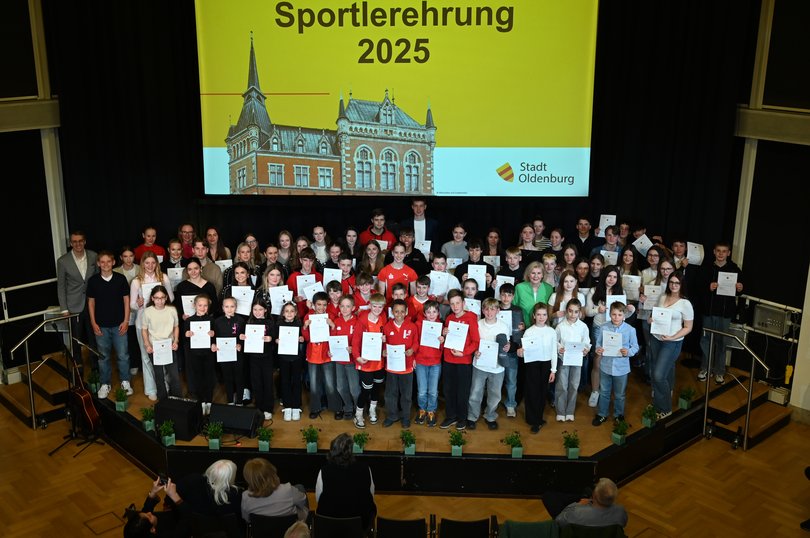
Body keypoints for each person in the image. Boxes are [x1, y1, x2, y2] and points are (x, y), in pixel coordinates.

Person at [86, 250, 131, 399]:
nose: (105, 264)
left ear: (113, 263)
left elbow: (126, 301)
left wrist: (126, 321)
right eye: (102, 262)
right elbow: (91, 303)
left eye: (108, 261)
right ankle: (105, 383)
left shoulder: (120, 279)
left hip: (119, 324)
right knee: (103, 356)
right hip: (101, 326)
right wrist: (93, 322)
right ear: (98, 263)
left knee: (123, 355)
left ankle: (125, 381)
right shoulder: (93, 281)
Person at [696, 241, 743, 385]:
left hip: (725, 313)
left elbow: (741, 291)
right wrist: (707, 287)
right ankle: (705, 368)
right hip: (708, 312)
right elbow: (697, 286)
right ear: (714, 252)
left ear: (728, 253)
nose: (721, 254)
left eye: (724, 251)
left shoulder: (735, 269)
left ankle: (719, 371)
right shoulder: (706, 268)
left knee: (722, 342)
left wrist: (740, 288)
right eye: (718, 251)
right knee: (706, 341)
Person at [650, 272, 694, 419]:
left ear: (682, 285)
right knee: (664, 371)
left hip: (672, 343)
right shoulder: (662, 297)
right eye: (671, 282)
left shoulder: (685, 303)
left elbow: (688, 327)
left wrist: (673, 337)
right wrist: (651, 319)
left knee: (658, 375)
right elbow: (656, 314)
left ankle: (666, 407)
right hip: (656, 339)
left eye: (677, 283)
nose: (674, 285)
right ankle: (658, 402)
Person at [131, 252, 174, 400]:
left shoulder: (164, 278)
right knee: (146, 356)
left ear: (157, 263)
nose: (150, 266)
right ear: (142, 264)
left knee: (163, 356)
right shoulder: (137, 281)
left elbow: (171, 298)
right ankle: (151, 388)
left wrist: (161, 300)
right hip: (143, 323)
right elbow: (131, 305)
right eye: (147, 263)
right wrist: (138, 303)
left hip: (162, 323)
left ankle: (164, 385)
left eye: (153, 263)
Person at [315, 433, 377, 532]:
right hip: (360, 524)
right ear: (351, 451)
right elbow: (370, 495)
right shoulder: (365, 469)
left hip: (329, 525)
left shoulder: (324, 471)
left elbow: (319, 499)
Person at [592, 301, 639, 426]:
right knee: (604, 391)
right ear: (609, 314)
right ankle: (602, 414)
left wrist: (628, 352)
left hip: (621, 368)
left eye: (619, 314)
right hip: (605, 366)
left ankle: (619, 415)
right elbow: (598, 343)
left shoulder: (630, 330)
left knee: (620, 394)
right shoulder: (604, 327)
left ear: (624, 315)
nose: (616, 317)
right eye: (613, 314)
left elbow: (635, 347)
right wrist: (598, 349)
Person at [439, 289, 480, 430]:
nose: (455, 306)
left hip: (463, 361)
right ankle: (451, 416)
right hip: (449, 359)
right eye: (452, 304)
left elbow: (475, 341)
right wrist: (443, 335)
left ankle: (462, 417)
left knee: (462, 391)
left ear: (463, 303)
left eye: (458, 303)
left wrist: (463, 353)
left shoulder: (471, 317)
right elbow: (446, 340)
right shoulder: (449, 318)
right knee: (448, 390)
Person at [467, 298, 509, 430]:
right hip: (479, 365)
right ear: (483, 310)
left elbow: (506, 344)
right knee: (475, 392)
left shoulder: (503, 326)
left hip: (497, 367)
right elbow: (473, 342)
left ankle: (490, 415)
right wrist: (475, 351)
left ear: (498, 310)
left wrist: (507, 347)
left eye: (492, 309)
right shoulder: (477, 324)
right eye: (486, 309)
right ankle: (472, 416)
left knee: (495, 394)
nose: (489, 312)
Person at [517, 302, 557, 433]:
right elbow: (525, 352)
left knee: (542, 392)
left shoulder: (551, 332)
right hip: (532, 365)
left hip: (546, 365)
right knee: (531, 392)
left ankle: (538, 418)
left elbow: (553, 352)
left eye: (544, 314)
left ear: (547, 316)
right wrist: (521, 352)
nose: (541, 317)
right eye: (538, 314)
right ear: (534, 316)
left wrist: (553, 370)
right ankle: (532, 419)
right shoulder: (529, 332)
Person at [57, 230, 98, 355]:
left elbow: (98, 280)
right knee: (76, 339)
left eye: (80, 241)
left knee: (94, 337)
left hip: (92, 303)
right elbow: (61, 286)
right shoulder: (62, 261)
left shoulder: (94, 256)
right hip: (73, 306)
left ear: (84, 241)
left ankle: (95, 368)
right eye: (74, 241)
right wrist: (64, 309)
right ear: (70, 243)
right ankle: (78, 369)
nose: (78, 244)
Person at [352, 293, 388, 428]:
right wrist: (357, 357)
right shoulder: (362, 320)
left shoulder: (383, 318)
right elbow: (355, 341)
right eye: (374, 306)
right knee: (366, 389)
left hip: (378, 362)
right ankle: (358, 413)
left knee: (377, 387)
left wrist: (385, 343)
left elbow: (385, 336)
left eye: (380, 307)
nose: (377, 309)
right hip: (365, 362)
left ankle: (372, 409)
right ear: (370, 305)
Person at [381, 299, 419, 427]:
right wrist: (384, 351)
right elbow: (383, 345)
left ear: (406, 312)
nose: (399, 314)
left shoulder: (412, 326)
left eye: (402, 312)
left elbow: (416, 343)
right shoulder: (387, 327)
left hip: (407, 367)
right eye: (396, 312)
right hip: (391, 368)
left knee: (406, 395)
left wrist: (412, 350)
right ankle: (392, 415)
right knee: (390, 394)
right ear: (392, 312)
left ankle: (406, 417)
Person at [141, 285, 182, 401]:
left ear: (166, 297)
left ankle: (178, 400)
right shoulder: (147, 312)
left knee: (174, 375)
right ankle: (163, 400)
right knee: (159, 375)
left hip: (169, 345)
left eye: (162, 298)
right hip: (155, 347)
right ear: (152, 298)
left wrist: (176, 340)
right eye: (157, 298)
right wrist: (147, 345)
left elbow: (176, 327)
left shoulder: (172, 310)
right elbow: (144, 330)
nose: (160, 301)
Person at [302, 291, 339, 419]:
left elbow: (335, 337)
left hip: (327, 354)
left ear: (327, 305)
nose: (321, 307)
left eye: (324, 305)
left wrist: (333, 326)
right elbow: (306, 338)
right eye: (318, 304)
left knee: (330, 384)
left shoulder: (331, 317)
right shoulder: (308, 317)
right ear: (313, 304)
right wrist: (305, 327)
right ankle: (315, 408)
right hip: (312, 355)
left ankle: (336, 407)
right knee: (314, 384)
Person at [241, 458, 309, 523]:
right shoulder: (287, 490)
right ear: (272, 471)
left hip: (262, 532)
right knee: (300, 487)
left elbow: (247, 519)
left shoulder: (246, 497)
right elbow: (303, 500)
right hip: (291, 531)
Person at [555, 298, 590, 422]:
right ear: (566, 311)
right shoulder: (560, 326)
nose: (572, 314)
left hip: (577, 360)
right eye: (570, 311)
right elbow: (555, 341)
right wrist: (560, 348)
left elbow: (586, 341)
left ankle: (570, 411)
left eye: (576, 312)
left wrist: (586, 349)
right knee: (562, 385)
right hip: (563, 359)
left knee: (574, 385)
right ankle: (560, 411)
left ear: (579, 312)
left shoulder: (583, 326)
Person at [123, 476, 190, 538]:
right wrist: (174, 496)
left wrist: (153, 492)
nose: (149, 513)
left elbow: (145, 512)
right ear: (152, 530)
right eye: (149, 517)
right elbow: (187, 517)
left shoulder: (140, 533)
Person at [241, 299, 275, 420]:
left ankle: (268, 408)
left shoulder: (270, 323)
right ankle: (259, 407)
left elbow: (275, 338)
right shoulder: (249, 322)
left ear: (265, 310)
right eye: (255, 309)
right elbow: (243, 339)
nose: (257, 312)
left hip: (267, 357)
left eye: (260, 309)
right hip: (253, 357)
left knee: (267, 382)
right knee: (256, 382)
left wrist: (270, 339)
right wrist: (242, 337)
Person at [176, 459, 242, 519]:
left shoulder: (192, 481)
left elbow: (185, 511)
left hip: (193, 527)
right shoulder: (235, 494)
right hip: (222, 530)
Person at [184, 294, 216, 415]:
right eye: (200, 305)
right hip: (195, 354)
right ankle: (202, 401)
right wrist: (187, 335)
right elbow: (185, 341)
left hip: (208, 354)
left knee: (209, 376)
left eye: (205, 305)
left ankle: (209, 401)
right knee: (198, 377)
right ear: (195, 305)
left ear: (208, 307)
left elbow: (215, 339)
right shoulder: (188, 321)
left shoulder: (211, 320)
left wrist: (213, 336)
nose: (202, 308)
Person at [212, 296, 247, 406]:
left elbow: (245, 337)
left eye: (232, 306)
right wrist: (213, 344)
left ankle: (240, 401)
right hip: (224, 354)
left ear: (236, 307)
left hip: (237, 354)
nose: (229, 309)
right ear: (222, 308)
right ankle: (230, 400)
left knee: (239, 377)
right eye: (226, 306)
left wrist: (240, 344)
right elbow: (214, 337)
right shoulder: (217, 322)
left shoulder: (241, 321)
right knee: (227, 377)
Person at [413, 299, 443, 427]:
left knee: (433, 390)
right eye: (428, 312)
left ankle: (431, 410)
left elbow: (443, 348)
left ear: (438, 313)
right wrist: (413, 357)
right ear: (424, 313)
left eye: (434, 312)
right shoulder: (419, 325)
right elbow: (414, 343)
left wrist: (442, 341)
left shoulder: (441, 326)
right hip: (420, 362)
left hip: (435, 362)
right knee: (422, 390)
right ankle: (422, 409)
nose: (431, 314)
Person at [330, 294, 360, 422]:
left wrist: (354, 349)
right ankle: (348, 407)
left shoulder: (358, 322)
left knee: (354, 389)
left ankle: (358, 408)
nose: (344, 309)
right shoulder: (336, 322)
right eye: (342, 306)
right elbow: (332, 339)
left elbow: (360, 340)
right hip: (339, 361)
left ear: (353, 308)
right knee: (341, 387)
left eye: (348, 306)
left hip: (352, 361)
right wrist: (329, 352)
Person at [555, 478, 628, 529]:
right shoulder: (621, 511)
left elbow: (559, 521)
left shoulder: (577, 512)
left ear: (594, 495)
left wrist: (577, 504)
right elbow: (623, 524)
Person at [275, 301, 305, 421]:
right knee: (285, 380)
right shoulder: (278, 325)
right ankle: (287, 406)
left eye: (292, 311)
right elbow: (275, 339)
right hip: (283, 357)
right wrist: (276, 341)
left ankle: (296, 406)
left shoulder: (299, 324)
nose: (289, 313)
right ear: (283, 313)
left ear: (296, 313)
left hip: (296, 357)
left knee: (297, 380)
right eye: (286, 311)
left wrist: (302, 339)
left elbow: (304, 338)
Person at [513, 261, 554, 328]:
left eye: (539, 273)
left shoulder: (549, 288)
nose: (536, 276)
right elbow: (514, 308)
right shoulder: (519, 287)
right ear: (528, 274)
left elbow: (550, 310)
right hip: (523, 327)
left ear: (542, 275)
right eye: (533, 273)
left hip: (543, 327)